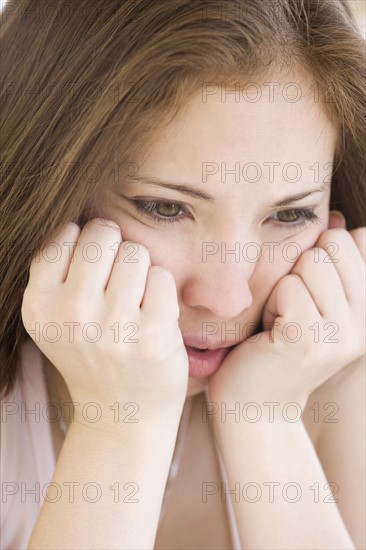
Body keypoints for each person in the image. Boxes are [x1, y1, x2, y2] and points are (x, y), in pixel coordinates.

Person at [0, 0, 365, 548]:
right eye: (166, 209)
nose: (226, 298)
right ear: (49, 196)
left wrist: (264, 420)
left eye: (289, 215)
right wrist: (118, 424)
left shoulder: (339, 377)